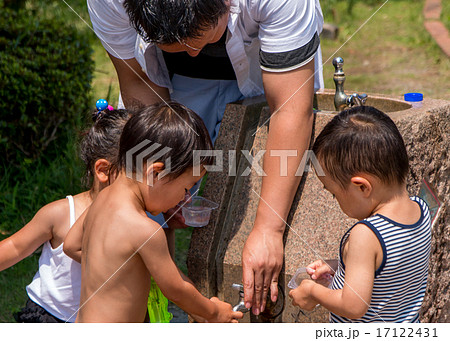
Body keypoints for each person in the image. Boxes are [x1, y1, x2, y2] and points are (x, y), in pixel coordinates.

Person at [87, 0, 324, 315]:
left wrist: (269, 229)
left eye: (200, 40)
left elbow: (290, 107)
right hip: (173, 81)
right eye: (178, 45)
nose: (194, 54)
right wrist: (162, 188)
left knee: (286, 199)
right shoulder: (109, 1)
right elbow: (137, 80)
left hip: (273, 73)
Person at [73, 102, 243, 323]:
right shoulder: (145, 230)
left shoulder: (100, 199)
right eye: (185, 187)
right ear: (156, 173)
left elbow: (71, 244)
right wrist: (213, 312)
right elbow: (176, 289)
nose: (186, 198)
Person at [288, 106, 432, 322]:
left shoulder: (366, 235)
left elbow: (354, 305)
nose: (336, 201)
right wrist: (341, 265)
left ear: (362, 187)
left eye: (334, 194)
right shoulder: (421, 209)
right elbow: (390, 267)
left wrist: (311, 291)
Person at [0, 107, 130, 322]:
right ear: (104, 170)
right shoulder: (61, 214)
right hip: (50, 318)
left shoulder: (136, 220)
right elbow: (15, 247)